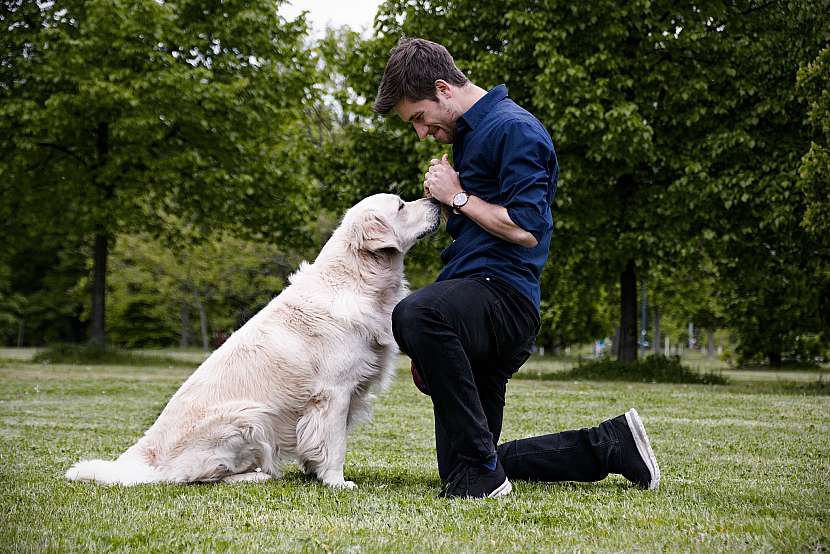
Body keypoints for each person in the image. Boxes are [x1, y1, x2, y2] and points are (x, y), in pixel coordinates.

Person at [374, 38, 660, 499]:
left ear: (443, 89)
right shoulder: (469, 136)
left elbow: (527, 228)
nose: (422, 133)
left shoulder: (515, 130)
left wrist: (457, 197)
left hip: (502, 300)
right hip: (474, 298)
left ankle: (484, 476)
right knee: (466, 465)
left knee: (415, 314)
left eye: (419, 119)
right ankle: (610, 445)